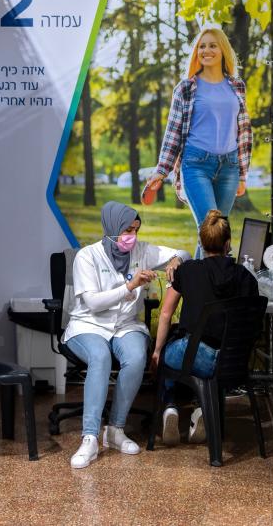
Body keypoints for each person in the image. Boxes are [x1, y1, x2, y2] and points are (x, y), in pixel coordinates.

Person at [62, 201, 190, 469]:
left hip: (125, 325)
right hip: (89, 325)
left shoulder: (142, 251)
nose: (132, 235)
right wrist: (129, 286)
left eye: (136, 229)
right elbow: (94, 303)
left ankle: (116, 430)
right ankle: (89, 437)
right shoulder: (87, 257)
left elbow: (183, 252)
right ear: (111, 228)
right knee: (100, 357)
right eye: (127, 230)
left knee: (135, 356)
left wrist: (177, 258)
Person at [151, 210, 259, 446]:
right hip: (232, 360)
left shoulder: (188, 271)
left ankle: (170, 408)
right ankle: (201, 409)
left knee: (171, 349)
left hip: (194, 355)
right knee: (204, 349)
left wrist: (158, 351)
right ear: (228, 243)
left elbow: (166, 313)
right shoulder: (246, 278)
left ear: (201, 242)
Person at [144, 28, 253, 239]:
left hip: (229, 167)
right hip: (196, 165)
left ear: (223, 50)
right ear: (196, 52)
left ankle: (200, 273)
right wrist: (162, 169)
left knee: (217, 237)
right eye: (202, 46)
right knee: (211, 231)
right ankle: (208, 273)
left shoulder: (237, 86)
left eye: (212, 45)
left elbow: (243, 132)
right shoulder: (186, 88)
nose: (206, 50)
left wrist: (242, 173)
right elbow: (173, 132)